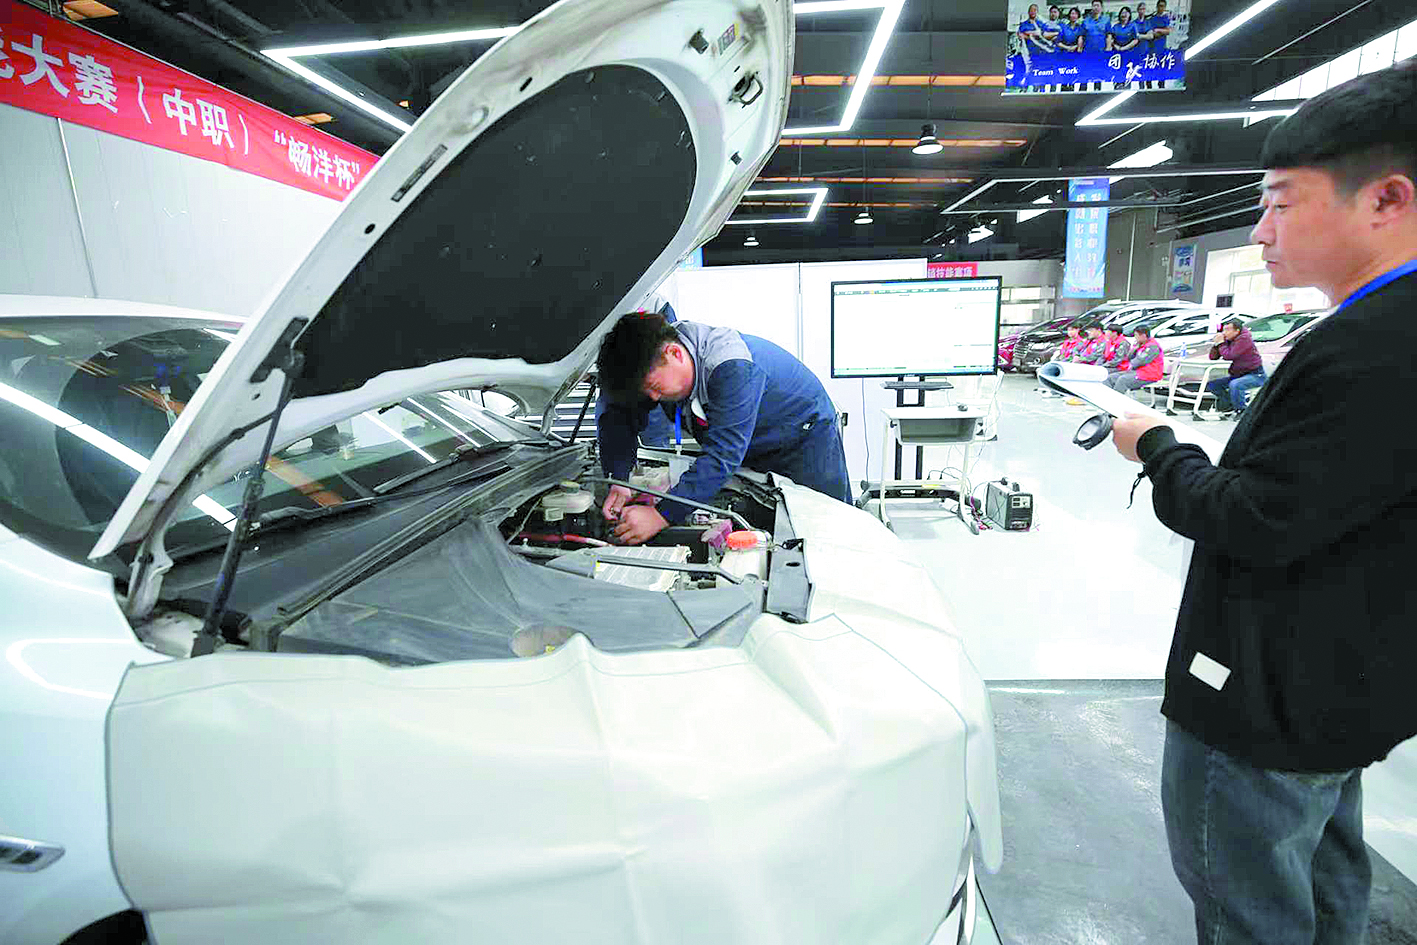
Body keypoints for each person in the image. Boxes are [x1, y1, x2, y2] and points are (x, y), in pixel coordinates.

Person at [1110, 62, 1417, 944]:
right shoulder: (1376, 328)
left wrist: (1157, 447)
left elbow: (1256, 517)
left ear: (1385, 199)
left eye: (1281, 202)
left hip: (1265, 698)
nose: (1260, 229)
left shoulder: (1372, 345)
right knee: (1324, 880)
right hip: (1341, 689)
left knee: (1246, 904)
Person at [596, 312, 851, 544]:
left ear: (675, 353)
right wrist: (619, 479)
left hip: (804, 440)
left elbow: (723, 454)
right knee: (767, 533)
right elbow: (621, 414)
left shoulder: (732, 367)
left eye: (654, 387)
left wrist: (662, 515)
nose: (652, 398)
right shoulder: (654, 360)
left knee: (825, 533)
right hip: (752, 447)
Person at [1203, 316, 1266, 419]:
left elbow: (1230, 355)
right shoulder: (1229, 339)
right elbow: (1213, 357)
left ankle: (1241, 411)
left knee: (1236, 384)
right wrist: (1216, 344)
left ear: (1237, 331)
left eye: (1228, 330)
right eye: (1224, 330)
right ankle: (1229, 404)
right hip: (1238, 374)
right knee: (1213, 385)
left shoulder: (1244, 339)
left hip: (1255, 374)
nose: (1225, 333)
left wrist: (1221, 343)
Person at [1103, 324, 1162, 391]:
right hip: (1137, 371)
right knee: (1110, 378)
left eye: (1136, 335)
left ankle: (1116, 397)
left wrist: (1130, 365)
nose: (1135, 337)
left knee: (1122, 380)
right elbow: (1129, 358)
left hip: (1149, 374)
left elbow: (1140, 361)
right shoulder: (1140, 344)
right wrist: (1134, 349)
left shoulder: (1152, 346)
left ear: (1143, 335)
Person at [1107, 6, 1140, 88]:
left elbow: (1135, 40)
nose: (1124, 14)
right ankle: (1117, 86)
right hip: (1117, 54)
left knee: (1127, 73)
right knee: (1117, 72)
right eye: (1122, 12)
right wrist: (1116, 47)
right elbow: (1111, 39)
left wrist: (1123, 48)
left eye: (1126, 12)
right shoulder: (1115, 26)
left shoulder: (1133, 26)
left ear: (1129, 15)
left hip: (1129, 53)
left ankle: (1127, 88)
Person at [1080, 0, 1110, 90]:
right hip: (1087, 52)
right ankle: (1082, 91)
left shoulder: (1106, 20)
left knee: (1098, 73)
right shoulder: (1085, 21)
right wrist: (1080, 49)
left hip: (1101, 52)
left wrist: (1108, 48)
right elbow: (1081, 36)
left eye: (1098, 5)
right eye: (1094, 5)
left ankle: (1097, 91)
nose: (1096, 7)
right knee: (1085, 73)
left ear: (1101, 8)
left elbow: (1109, 35)